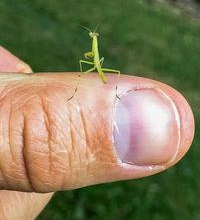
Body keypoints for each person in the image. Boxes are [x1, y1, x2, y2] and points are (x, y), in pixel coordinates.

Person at [0, 45, 194, 219]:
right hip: (96, 70)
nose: (93, 36)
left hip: (99, 72)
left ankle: (117, 97)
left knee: (105, 70)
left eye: (94, 36)